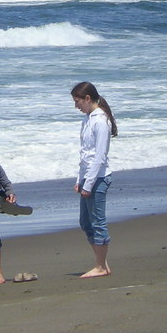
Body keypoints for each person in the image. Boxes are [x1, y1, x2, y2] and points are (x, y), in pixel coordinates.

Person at [70, 81, 118, 278]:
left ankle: (100, 266)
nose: (76, 105)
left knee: (97, 222)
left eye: (78, 101)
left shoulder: (100, 121)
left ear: (88, 98)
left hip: (98, 179)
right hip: (88, 178)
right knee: (85, 222)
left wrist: (88, 184)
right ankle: (102, 263)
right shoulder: (87, 119)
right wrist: (79, 179)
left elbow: (99, 156)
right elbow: (85, 155)